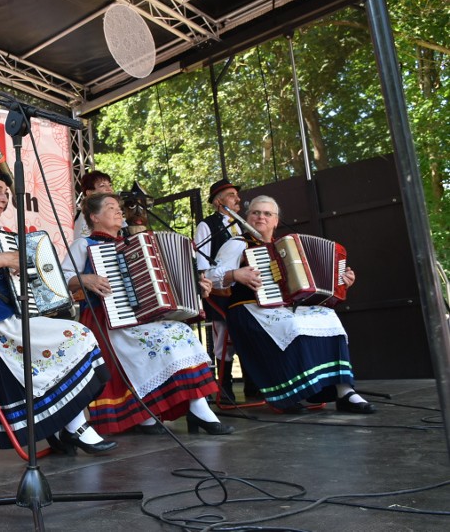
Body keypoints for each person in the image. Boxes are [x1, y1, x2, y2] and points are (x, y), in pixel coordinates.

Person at [0, 164, 117, 455]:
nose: (4, 198)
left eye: (6, 193)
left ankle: (69, 426)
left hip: (11, 317)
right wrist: (6, 259)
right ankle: (75, 428)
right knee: (78, 335)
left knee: (72, 336)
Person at [62, 192, 235, 436]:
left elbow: (167, 280)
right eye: (111, 208)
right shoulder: (85, 244)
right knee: (172, 335)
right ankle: (179, 412)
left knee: (178, 331)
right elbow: (61, 277)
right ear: (94, 217)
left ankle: (192, 408)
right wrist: (85, 278)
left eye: (119, 207)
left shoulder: (137, 242)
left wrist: (198, 288)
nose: (119, 211)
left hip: (140, 318)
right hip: (105, 318)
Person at [209, 195, 376, 414]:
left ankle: (344, 391)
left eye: (267, 213)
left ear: (276, 221)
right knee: (293, 327)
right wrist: (235, 274)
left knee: (330, 320)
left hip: (286, 307)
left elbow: (318, 284)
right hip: (248, 307)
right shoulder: (238, 244)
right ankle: (290, 393)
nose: (261, 217)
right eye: (255, 212)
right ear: (247, 217)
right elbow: (211, 277)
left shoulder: (289, 247)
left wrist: (341, 280)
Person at [193, 178, 256, 401]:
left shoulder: (243, 224)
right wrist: (206, 288)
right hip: (220, 289)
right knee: (222, 340)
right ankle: (225, 386)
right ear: (219, 202)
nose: (238, 199)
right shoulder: (206, 225)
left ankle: (252, 384)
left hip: (244, 289)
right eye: (231, 195)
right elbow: (201, 262)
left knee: (246, 335)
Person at [73, 170, 117, 239]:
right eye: (102, 185)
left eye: (110, 185)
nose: (109, 189)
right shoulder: (86, 214)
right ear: (89, 193)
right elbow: (84, 243)